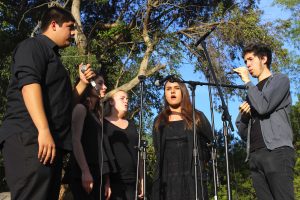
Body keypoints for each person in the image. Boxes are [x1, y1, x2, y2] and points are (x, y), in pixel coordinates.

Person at [0, 6, 95, 200]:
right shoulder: (33, 46)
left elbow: (65, 104)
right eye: (70, 27)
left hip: (50, 144)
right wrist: (43, 130)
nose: (74, 33)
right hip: (30, 137)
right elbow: (28, 85)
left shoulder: (55, 60)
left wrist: (82, 84)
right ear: (53, 25)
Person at [235, 43, 295, 200]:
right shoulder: (251, 93)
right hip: (255, 155)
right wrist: (245, 116)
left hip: (276, 151)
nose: (247, 65)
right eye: (245, 61)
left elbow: (263, 107)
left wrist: (248, 82)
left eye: (250, 59)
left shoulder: (280, 80)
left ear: (264, 58)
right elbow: (242, 132)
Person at [151, 78, 213, 200]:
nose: (172, 92)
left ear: (183, 92)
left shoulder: (197, 117)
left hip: (193, 181)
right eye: (168, 89)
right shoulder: (159, 121)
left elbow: (210, 145)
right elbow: (158, 149)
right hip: (166, 182)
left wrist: (200, 163)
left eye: (176, 88)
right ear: (165, 94)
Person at [70, 74, 114, 200]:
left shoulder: (96, 115)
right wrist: (85, 171)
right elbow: (75, 140)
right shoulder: (80, 109)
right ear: (90, 85)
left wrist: (106, 180)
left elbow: (102, 149)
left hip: (97, 173)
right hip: (84, 173)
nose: (104, 87)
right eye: (100, 83)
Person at [103, 90, 144, 200]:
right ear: (111, 102)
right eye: (122, 98)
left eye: (127, 99)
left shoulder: (132, 124)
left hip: (133, 181)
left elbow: (139, 153)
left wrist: (142, 179)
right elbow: (102, 153)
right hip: (113, 181)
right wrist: (106, 180)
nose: (126, 101)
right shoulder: (103, 124)